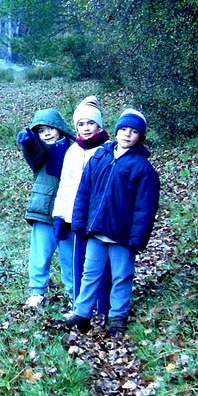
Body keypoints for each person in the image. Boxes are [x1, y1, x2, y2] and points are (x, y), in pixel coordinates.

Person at [66, 108, 161, 337]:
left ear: (140, 137)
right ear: (116, 131)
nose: (127, 134)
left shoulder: (143, 168)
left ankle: (117, 316)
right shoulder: (100, 157)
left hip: (122, 235)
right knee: (90, 273)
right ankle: (82, 312)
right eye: (124, 129)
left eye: (134, 131)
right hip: (97, 230)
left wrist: (137, 239)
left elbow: (145, 208)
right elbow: (84, 193)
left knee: (121, 275)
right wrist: (80, 223)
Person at [50, 95, 112, 317]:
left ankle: (104, 307)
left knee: (100, 265)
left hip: (98, 219)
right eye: (81, 124)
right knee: (79, 264)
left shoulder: (108, 150)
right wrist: (59, 216)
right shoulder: (73, 151)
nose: (86, 128)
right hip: (75, 218)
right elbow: (65, 187)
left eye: (90, 123)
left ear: (99, 125)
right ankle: (80, 308)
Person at [17, 107, 75, 308]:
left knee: (71, 256)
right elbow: (32, 152)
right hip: (43, 212)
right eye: (41, 131)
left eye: (50, 128)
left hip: (69, 213)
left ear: (60, 128)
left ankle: (75, 295)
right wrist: (29, 141)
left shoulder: (74, 148)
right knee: (40, 253)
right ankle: (37, 292)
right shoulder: (40, 152)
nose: (47, 133)